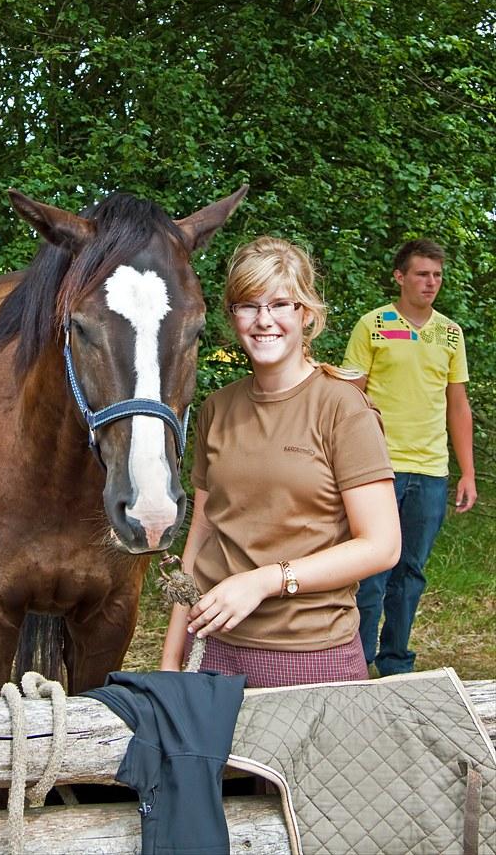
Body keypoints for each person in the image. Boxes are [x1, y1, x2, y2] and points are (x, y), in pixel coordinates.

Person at [161, 237, 401, 687]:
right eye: (248, 306)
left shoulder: (342, 407)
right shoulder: (216, 409)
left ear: (306, 313)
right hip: (212, 653)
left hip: (311, 657)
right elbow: (201, 538)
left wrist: (265, 581)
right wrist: (172, 660)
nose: (264, 320)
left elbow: (383, 544)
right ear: (232, 317)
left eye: (280, 304)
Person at [342, 238, 477, 676]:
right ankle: (357, 661)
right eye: (422, 274)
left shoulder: (450, 332)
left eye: (437, 275)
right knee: (372, 569)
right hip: (378, 469)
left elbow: (458, 405)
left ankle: (395, 659)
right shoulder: (374, 324)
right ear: (400, 277)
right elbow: (351, 396)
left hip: (431, 471)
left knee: (411, 571)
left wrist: (467, 472)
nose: (431, 282)